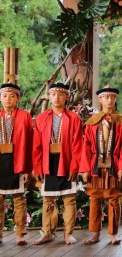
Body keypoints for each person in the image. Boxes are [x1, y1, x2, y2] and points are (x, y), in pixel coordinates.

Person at [80, 85, 122, 245]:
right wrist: (85, 169)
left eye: (112, 97)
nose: (109, 100)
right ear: (100, 99)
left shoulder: (121, 122)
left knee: (113, 200)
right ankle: (95, 234)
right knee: (95, 199)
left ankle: (113, 234)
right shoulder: (92, 123)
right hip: (95, 165)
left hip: (114, 165)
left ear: (116, 99)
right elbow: (86, 147)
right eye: (106, 97)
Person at [32, 82, 83, 245]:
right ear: (49, 96)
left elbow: (77, 145)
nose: (56, 98)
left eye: (60, 94)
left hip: (66, 161)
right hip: (49, 161)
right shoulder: (41, 119)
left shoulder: (74, 118)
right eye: (53, 94)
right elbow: (37, 146)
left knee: (69, 199)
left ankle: (68, 233)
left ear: (67, 97)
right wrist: (38, 167)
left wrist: (75, 166)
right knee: (48, 200)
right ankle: (47, 232)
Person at [0, 83, 33, 246]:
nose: (8, 99)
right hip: (0, 162)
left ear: (18, 98)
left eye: (12, 96)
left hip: (17, 160)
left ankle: (20, 233)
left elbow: (29, 142)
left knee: (19, 199)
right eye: (5, 96)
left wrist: (28, 168)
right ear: (0, 98)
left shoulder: (25, 116)